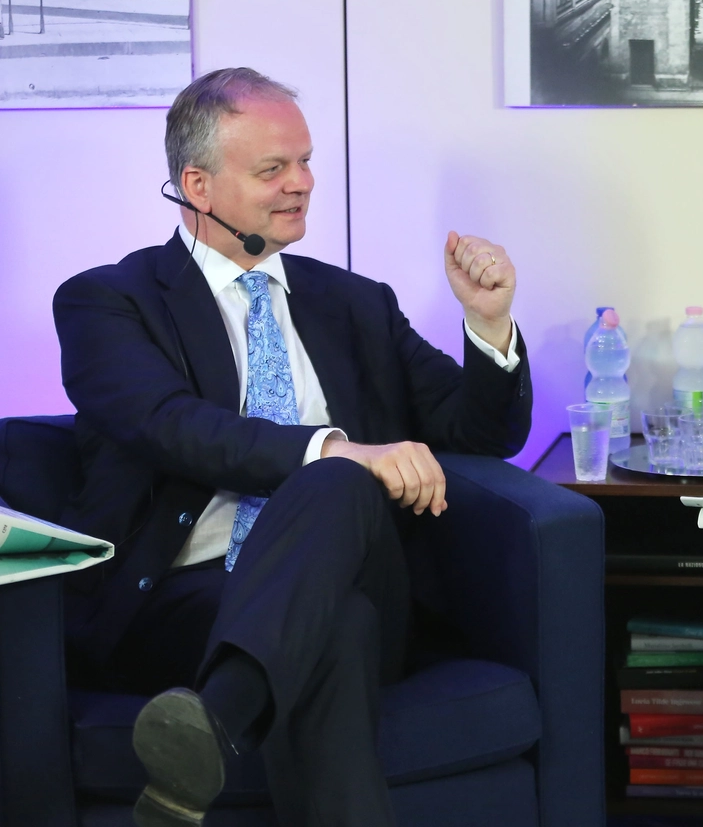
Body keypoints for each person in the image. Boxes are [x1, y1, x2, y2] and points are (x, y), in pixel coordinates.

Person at [52, 67, 531, 827]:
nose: (301, 183)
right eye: (272, 168)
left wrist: (489, 325)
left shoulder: (354, 303)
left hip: (364, 572)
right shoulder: (108, 301)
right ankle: (223, 714)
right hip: (182, 599)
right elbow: (172, 423)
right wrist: (338, 450)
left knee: (340, 486)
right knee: (335, 615)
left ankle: (211, 722)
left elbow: (483, 432)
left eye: (304, 161)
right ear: (197, 184)